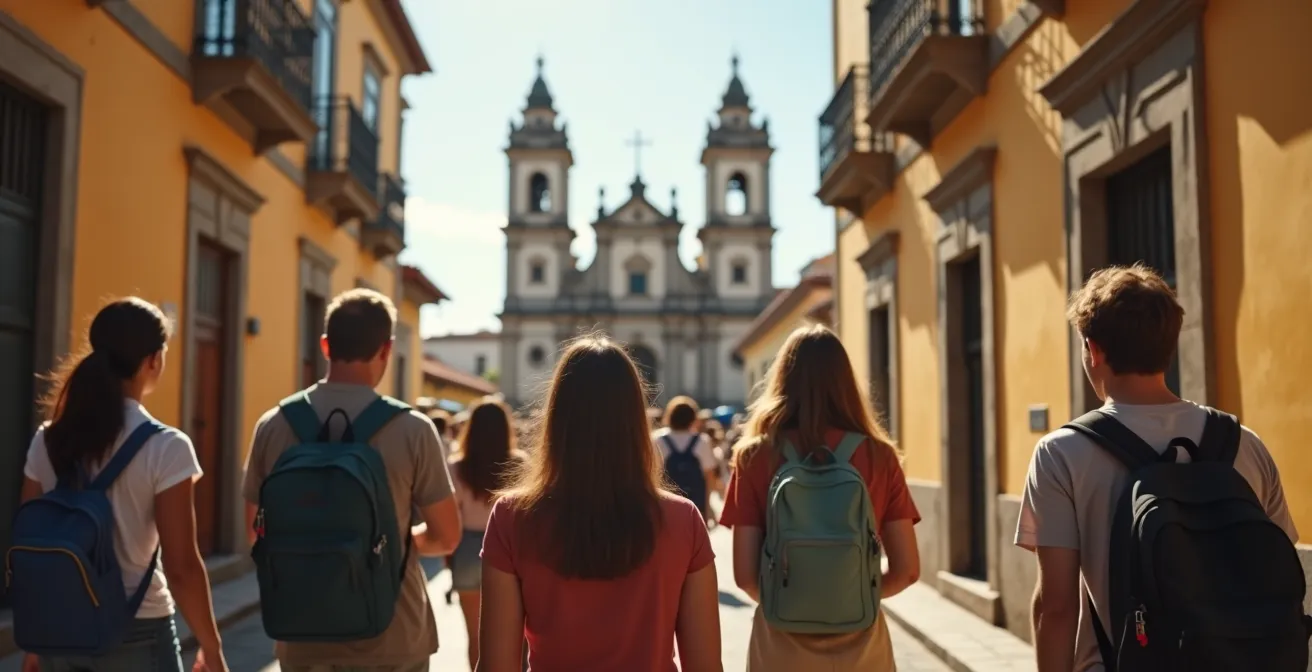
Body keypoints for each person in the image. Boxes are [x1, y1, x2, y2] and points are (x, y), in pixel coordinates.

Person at [1017, 264, 1299, 672]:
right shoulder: (1245, 443)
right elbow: (1279, 571)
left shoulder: (1061, 454)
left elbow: (1057, 608)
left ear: (1094, 350)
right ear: (1169, 344)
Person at [242, 289, 463, 672]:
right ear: (386, 349)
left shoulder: (273, 425)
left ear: (325, 345)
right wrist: (394, 541)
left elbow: (254, 532)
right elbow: (447, 536)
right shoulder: (412, 430)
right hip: (395, 637)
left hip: (303, 634)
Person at [478, 335, 722, 672]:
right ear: (637, 420)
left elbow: (495, 667)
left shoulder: (511, 517)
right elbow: (706, 666)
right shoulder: (684, 520)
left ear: (557, 419)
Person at [18, 298, 227, 672]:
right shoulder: (166, 446)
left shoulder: (47, 439)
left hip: (59, 630)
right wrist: (211, 646)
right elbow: (181, 567)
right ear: (153, 360)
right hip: (138, 632)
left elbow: (29, 538)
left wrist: (35, 637)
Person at [720, 324, 921, 671]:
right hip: (861, 642)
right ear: (845, 382)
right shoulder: (879, 456)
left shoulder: (754, 457)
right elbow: (906, 571)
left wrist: (795, 602)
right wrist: (847, 599)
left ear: (782, 379)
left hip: (780, 644)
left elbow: (745, 576)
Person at [447, 397, 527, 670]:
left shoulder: (457, 466)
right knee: (517, 637)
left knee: (476, 637)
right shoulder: (519, 464)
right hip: (511, 552)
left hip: (468, 548)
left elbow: (452, 518)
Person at [652, 396, 720, 523]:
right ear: (693, 418)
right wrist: (708, 506)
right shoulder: (702, 441)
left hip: (666, 505)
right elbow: (709, 476)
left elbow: (654, 474)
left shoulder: (658, 439)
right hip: (695, 504)